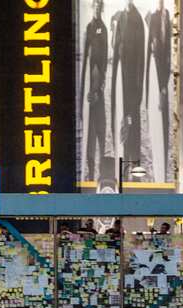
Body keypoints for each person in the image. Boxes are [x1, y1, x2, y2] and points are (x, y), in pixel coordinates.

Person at [110, 0, 146, 170]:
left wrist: (139, 89)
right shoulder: (120, 17)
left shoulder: (137, 19)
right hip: (120, 80)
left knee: (133, 121)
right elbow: (115, 47)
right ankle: (124, 162)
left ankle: (135, 162)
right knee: (122, 119)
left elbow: (141, 57)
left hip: (133, 82)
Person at [80, 0, 109, 182]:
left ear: (102, 8)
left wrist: (99, 87)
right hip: (89, 90)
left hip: (98, 87)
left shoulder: (102, 29)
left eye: (99, 6)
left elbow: (104, 60)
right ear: (92, 7)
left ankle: (101, 170)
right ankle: (90, 170)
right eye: (95, 5)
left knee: (100, 128)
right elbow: (84, 60)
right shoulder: (89, 28)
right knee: (89, 131)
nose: (97, 8)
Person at [145, 0, 172, 178]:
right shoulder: (152, 18)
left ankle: (162, 162)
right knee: (158, 118)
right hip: (157, 77)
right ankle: (158, 167)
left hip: (164, 76)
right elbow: (153, 49)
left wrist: (164, 84)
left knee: (165, 122)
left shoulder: (167, 16)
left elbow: (168, 50)